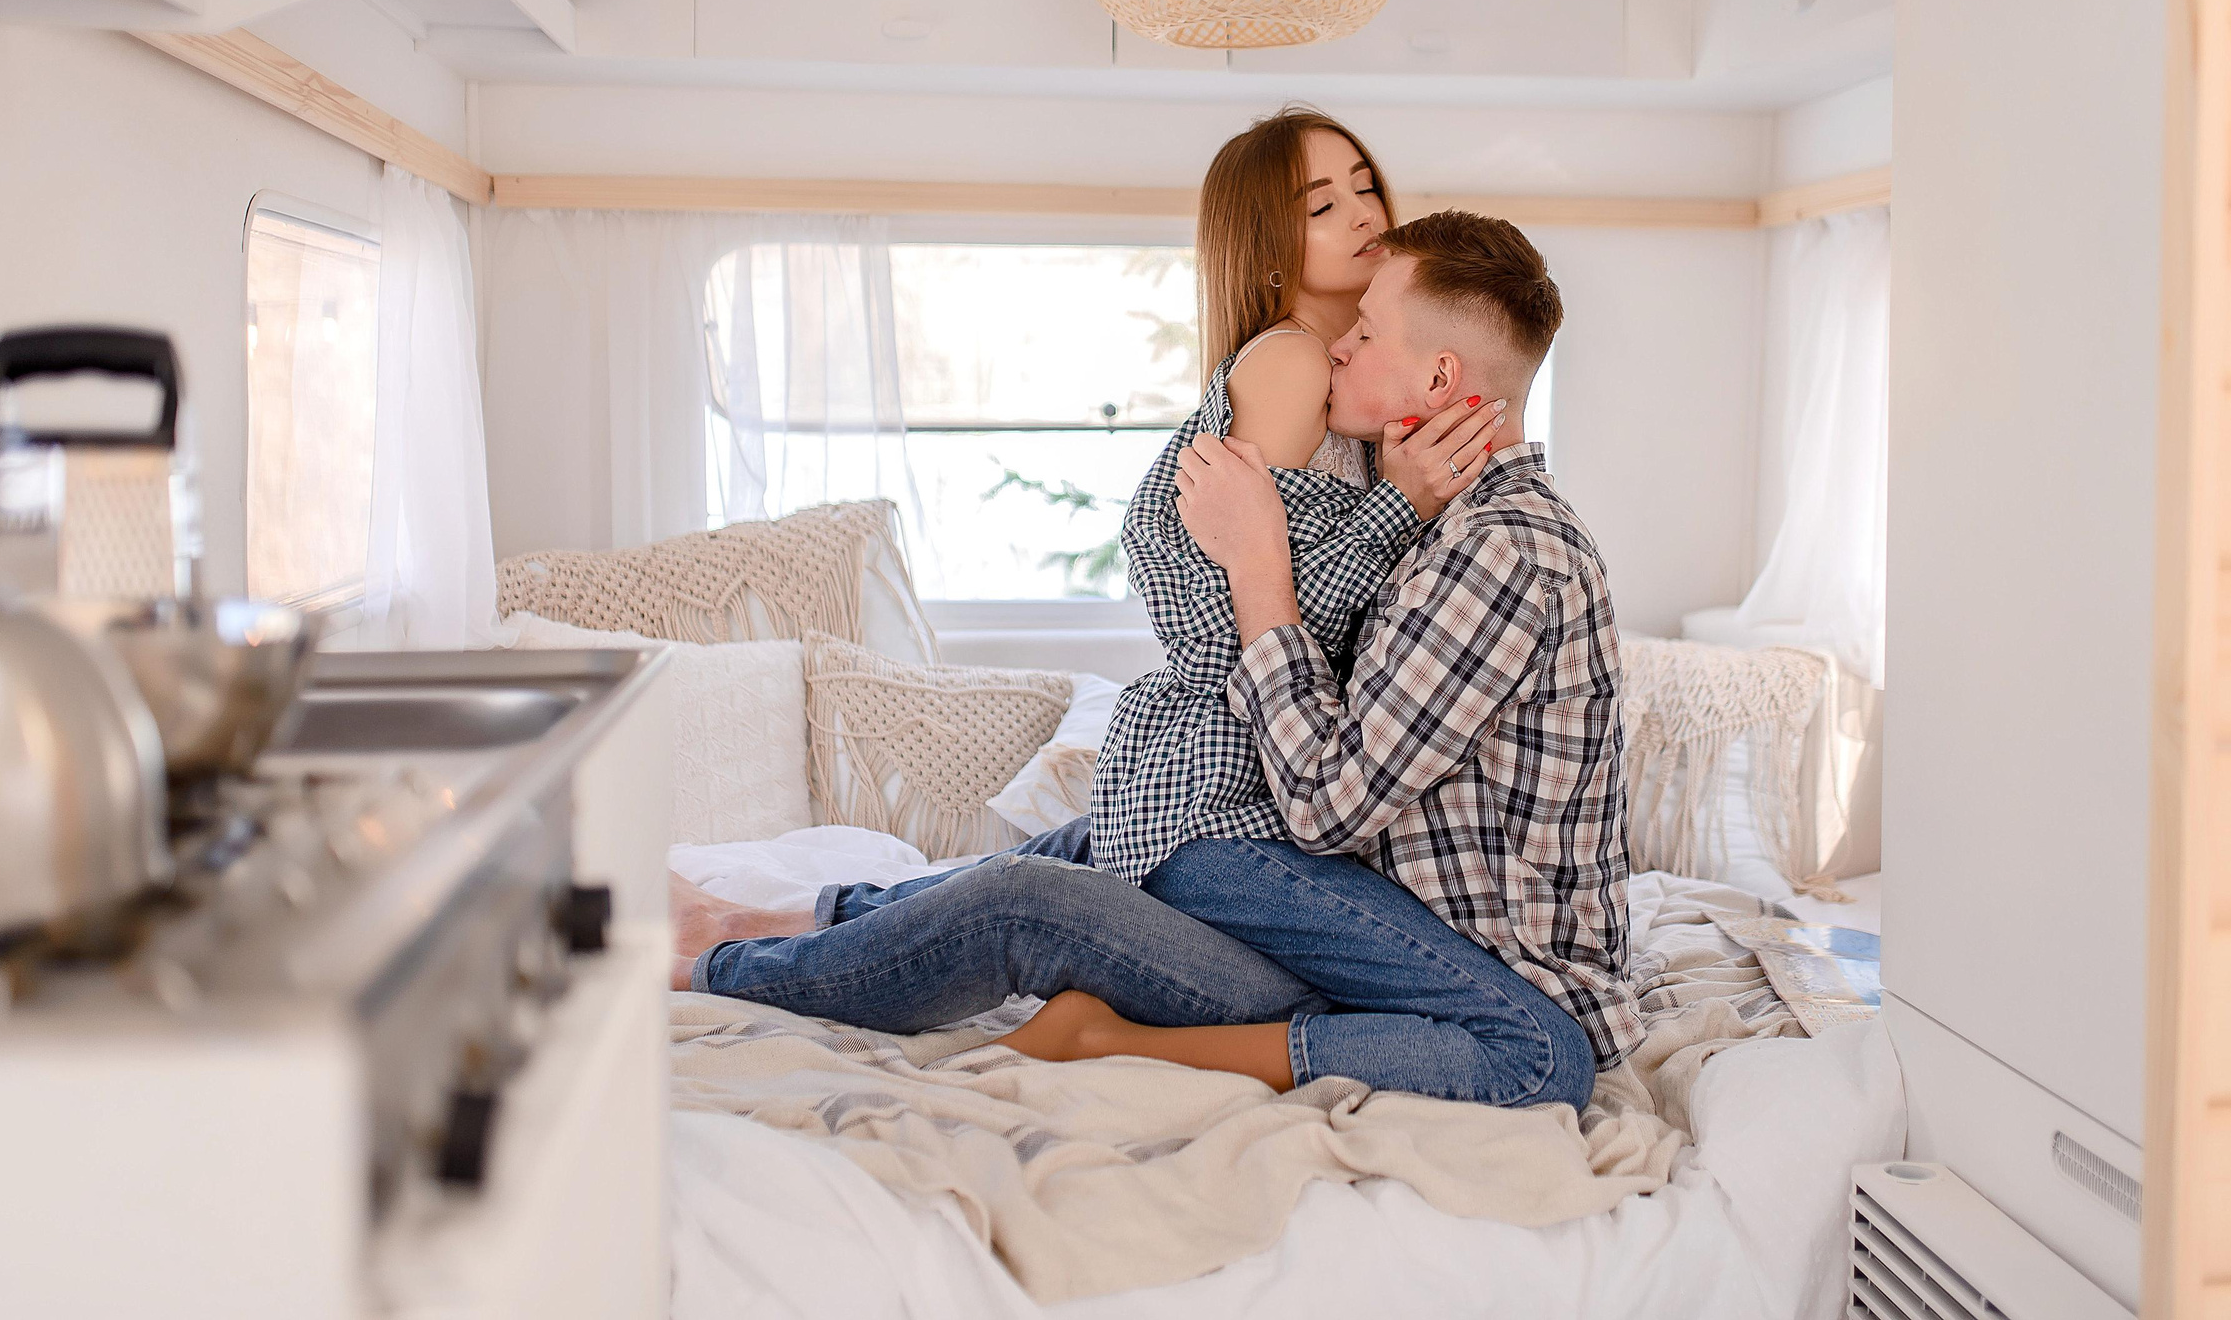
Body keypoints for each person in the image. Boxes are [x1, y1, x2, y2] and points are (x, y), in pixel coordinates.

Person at [677, 210, 1632, 1112]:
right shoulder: (1441, 521)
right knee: (1114, 839)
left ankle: (740, 970)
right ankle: (798, 915)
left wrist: (1260, 557)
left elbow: (1327, 803)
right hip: (1381, 916)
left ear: (1440, 383)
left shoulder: (1500, 554)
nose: (1339, 345)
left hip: (1489, 968)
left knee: (1539, 1060)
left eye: (1369, 332)